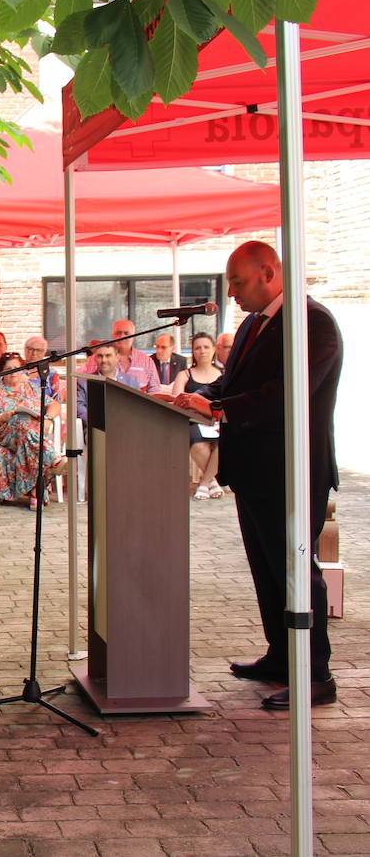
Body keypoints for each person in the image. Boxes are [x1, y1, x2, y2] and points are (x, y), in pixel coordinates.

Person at [174, 240, 342, 710]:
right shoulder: (254, 324)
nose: (230, 293)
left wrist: (219, 408)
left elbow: (286, 395)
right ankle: (281, 656)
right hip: (254, 470)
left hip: (292, 468)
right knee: (266, 568)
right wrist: (192, 396)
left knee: (295, 569)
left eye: (237, 281)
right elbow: (232, 383)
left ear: (269, 272)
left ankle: (316, 673)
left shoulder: (313, 322)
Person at [0, 353, 65, 507]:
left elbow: (55, 405)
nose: (13, 372)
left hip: (29, 437)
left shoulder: (32, 388)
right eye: (9, 369)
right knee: (21, 419)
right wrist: (4, 416)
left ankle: (35, 493)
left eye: (16, 368)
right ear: (2, 372)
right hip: (5, 435)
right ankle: (52, 458)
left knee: (27, 429)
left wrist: (48, 419)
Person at [169, 332, 223, 500]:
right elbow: (176, 401)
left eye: (206, 347)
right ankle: (212, 481)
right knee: (199, 444)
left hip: (217, 421)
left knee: (223, 443)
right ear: (193, 351)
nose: (202, 351)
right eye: (198, 348)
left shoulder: (223, 375)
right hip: (192, 421)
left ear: (214, 349)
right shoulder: (184, 375)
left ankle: (205, 483)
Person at [83, 319, 163, 393]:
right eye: (118, 333)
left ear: (133, 336)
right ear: (112, 335)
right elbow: (86, 387)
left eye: (126, 333)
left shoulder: (146, 361)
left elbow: (155, 391)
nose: (122, 336)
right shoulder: (97, 359)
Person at [75, 344, 141, 426]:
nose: (104, 360)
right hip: (96, 429)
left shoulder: (131, 381)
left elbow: (139, 409)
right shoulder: (84, 382)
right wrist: (100, 422)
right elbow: (79, 409)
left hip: (126, 428)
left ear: (117, 357)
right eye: (100, 356)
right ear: (95, 358)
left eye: (108, 356)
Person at [22, 337, 62, 401]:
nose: (34, 353)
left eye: (38, 350)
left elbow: (56, 400)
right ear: (25, 350)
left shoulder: (51, 373)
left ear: (44, 352)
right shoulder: (16, 371)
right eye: (30, 349)